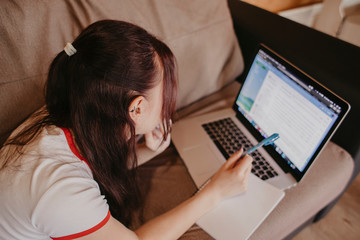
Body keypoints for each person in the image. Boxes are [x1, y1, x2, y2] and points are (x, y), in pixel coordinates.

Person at [0, 20, 252, 240]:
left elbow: (96, 165)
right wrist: (214, 192)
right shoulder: (56, 188)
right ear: (137, 108)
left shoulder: (70, 104)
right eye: (164, 95)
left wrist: (146, 151)